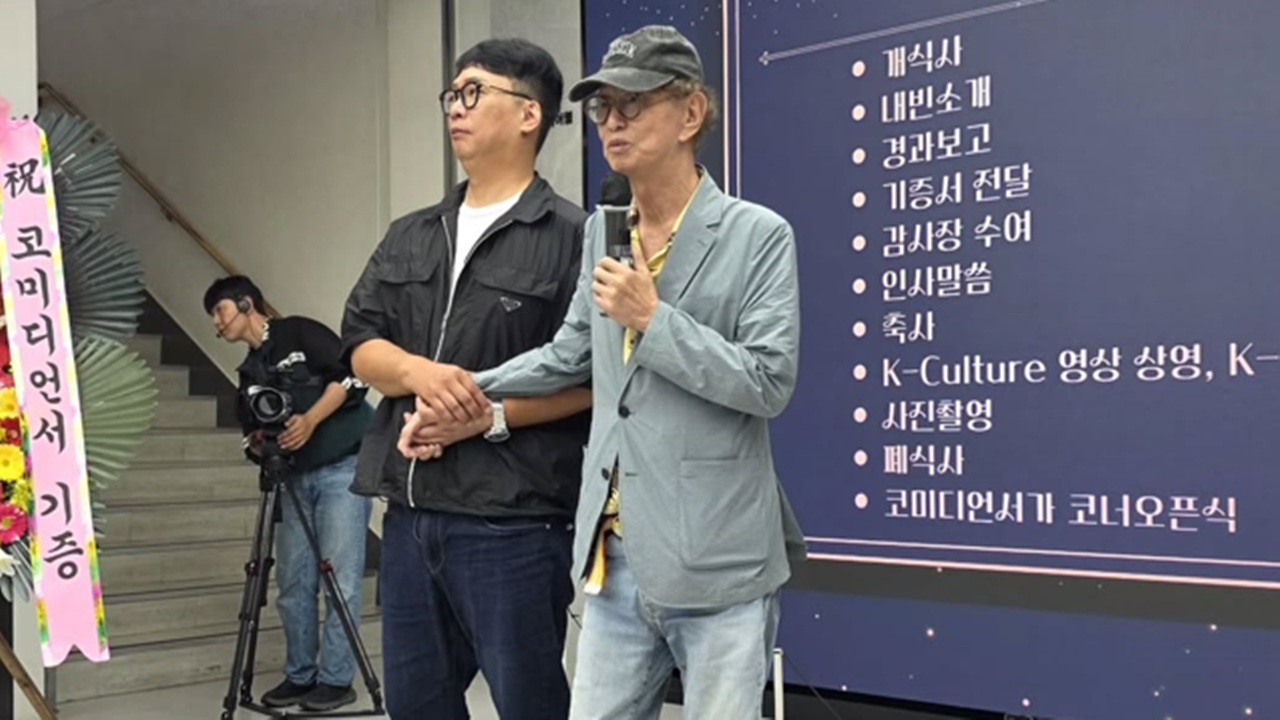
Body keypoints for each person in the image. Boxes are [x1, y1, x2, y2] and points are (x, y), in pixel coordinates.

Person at [400, 24, 807, 720]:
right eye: (602, 108)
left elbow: (768, 382)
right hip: (612, 557)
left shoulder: (757, 234)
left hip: (718, 555)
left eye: (633, 104)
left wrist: (653, 318)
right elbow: (569, 355)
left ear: (691, 113)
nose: (612, 123)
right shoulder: (604, 231)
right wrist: (464, 388)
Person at [340, 38, 592, 719]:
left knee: (529, 704)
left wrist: (487, 414)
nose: (456, 107)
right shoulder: (412, 233)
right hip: (409, 517)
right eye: (451, 95)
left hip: (513, 522)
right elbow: (358, 344)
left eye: (474, 92)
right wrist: (420, 373)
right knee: (416, 706)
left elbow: (596, 382)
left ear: (530, 114)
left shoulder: (574, 236)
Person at [203, 275, 373, 713]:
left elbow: (351, 377)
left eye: (220, 311)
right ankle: (300, 675)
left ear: (245, 303)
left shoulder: (299, 331)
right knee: (293, 581)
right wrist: (263, 445)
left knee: (340, 578)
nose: (216, 324)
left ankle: (336, 680)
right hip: (293, 479)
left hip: (341, 469)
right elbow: (251, 438)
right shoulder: (248, 375)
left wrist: (310, 420)